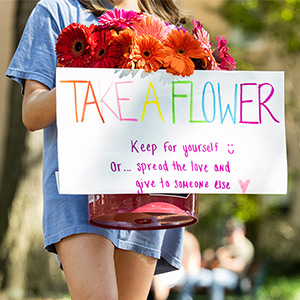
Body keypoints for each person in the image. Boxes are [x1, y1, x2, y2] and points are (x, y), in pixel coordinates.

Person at [6, 1, 190, 299]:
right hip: (79, 191)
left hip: (148, 192)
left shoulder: (170, 29)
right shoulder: (56, 11)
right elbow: (32, 114)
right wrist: (91, 78)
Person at [203, 218, 255, 300]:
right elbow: (210, 253)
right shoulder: (226, 243)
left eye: (232, 232)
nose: (229, 234)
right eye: (228, 232)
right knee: (193, 277)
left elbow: (238, 267)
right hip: (216, 272)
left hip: (237, 280)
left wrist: (222, 261)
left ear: (241, 231)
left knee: (218, 277)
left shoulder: (245, 246)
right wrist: (212, 256)